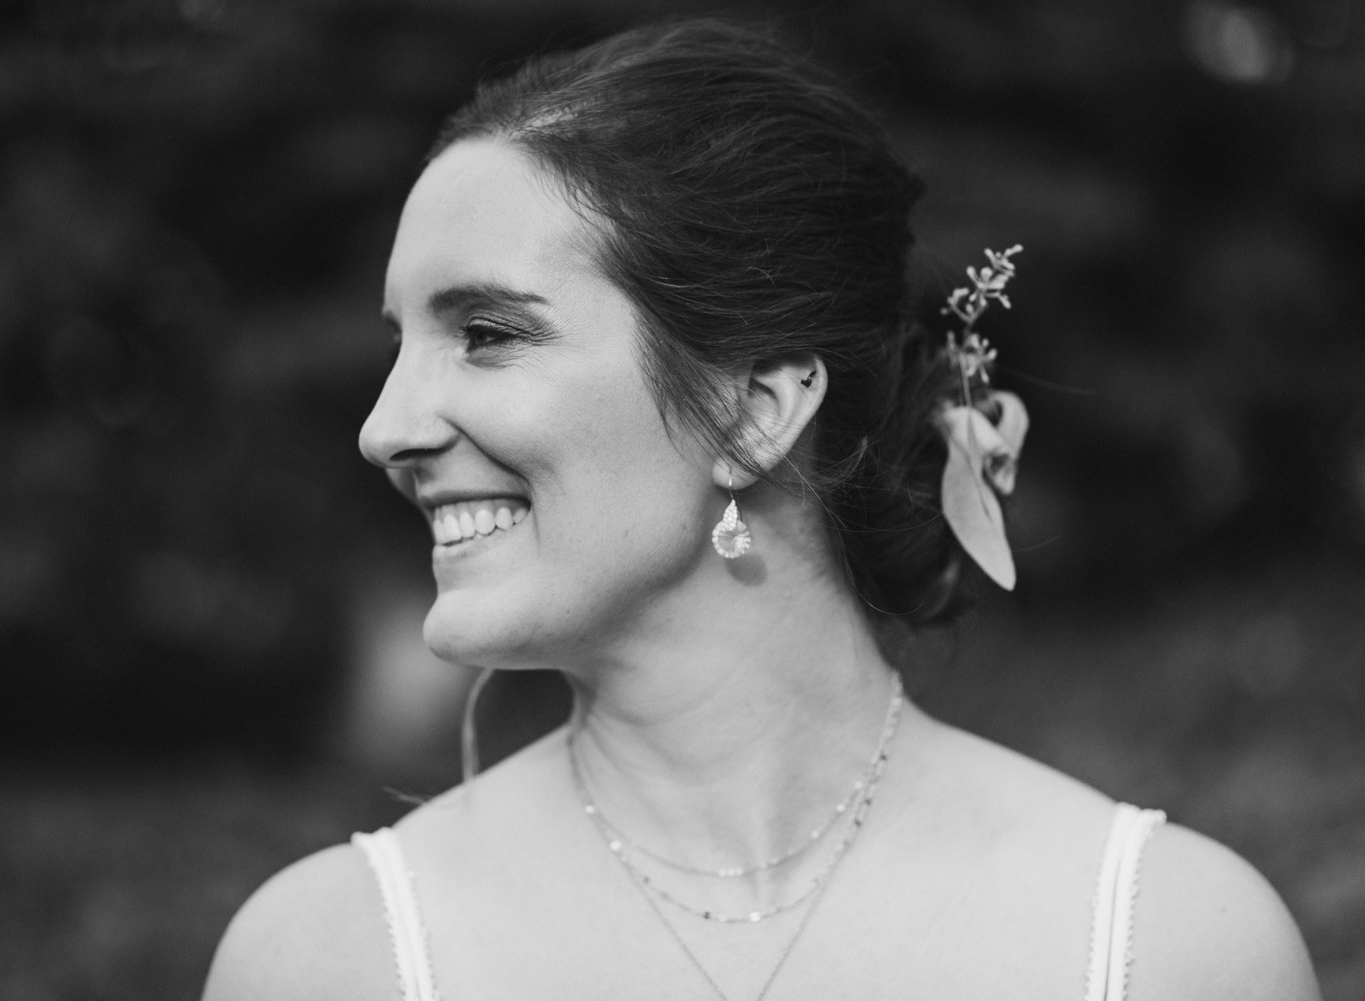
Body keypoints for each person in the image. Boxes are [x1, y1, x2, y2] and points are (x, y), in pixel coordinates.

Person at [201, 19, 1320, 1001]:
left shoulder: (1168, 945)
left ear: (753, 412)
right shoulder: (327, 960)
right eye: (400, 344)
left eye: (486, 334)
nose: (385, 428)